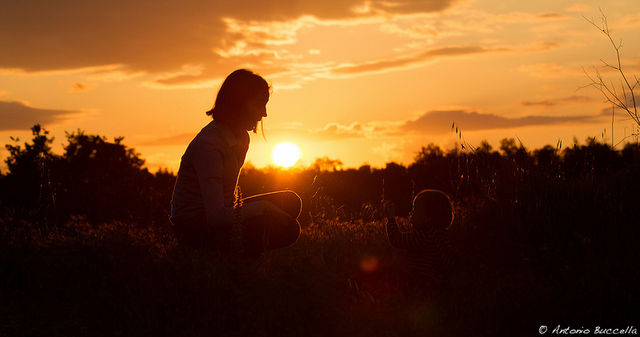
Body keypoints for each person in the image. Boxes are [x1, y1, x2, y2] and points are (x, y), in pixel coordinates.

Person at [170, 69, 301, 258]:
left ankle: (240, 255)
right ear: (239, 104)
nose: (264, 113)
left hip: (221, 214)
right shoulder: (209, 145)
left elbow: (227, 202)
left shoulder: (241, 139)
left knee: (290, 201)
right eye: (259, 105)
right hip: (194, 227)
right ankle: (235, 261)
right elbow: (215, 217)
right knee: (289, 229)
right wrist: (263, 208)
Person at [384, 189, 455, 296]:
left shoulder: (422, 236)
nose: (411, 213)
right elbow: (449, 261)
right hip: (433, 284)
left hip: (417, 283)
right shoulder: (442, 235)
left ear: (427, 218)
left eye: (415, 209)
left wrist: (391, 219)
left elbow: (396, 239)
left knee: (387, 274)